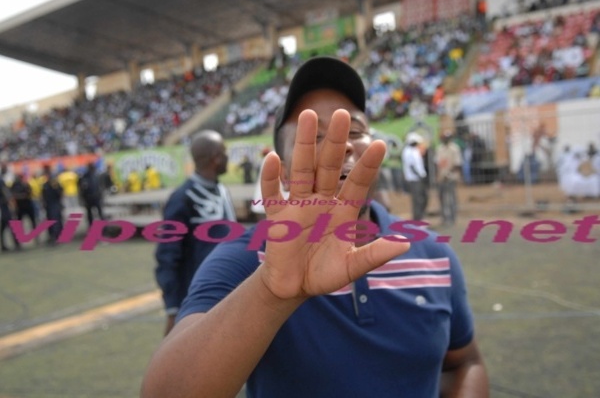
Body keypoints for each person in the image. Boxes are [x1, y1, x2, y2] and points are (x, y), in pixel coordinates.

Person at [142, 57, 488, 397]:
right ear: (284, 171)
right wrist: (271, 292)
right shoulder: (243, 260)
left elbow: (464, 363)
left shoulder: (433, 254)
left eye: (355, 131)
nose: (344, 144)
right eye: (314, 136)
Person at [154, 130, 236, 336]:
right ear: (215, 158)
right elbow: (167, 255)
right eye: (224, 152)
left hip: (229, 292)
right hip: (198, 300)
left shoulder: (221, 190)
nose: (227, 156)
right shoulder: (182, 198)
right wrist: (173, 308)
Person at [435, 130, 462, 226]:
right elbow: (437, 163)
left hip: (451, 176)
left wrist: (449, 173)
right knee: (441, 197)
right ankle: (444, 217)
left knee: (450, 198)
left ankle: (452, 217)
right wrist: (439, 175)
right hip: (441, 176)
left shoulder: (454, 148)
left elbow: (457, 164)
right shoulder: (439, 149)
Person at [402, 131, 428, 220]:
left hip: (419, 178)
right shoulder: (408, 151)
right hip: (414, 179)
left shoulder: (414, 150)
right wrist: (419, 175)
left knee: (422, 198)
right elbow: (412, 166)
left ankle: (420, 216)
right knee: (417, 199)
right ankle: (417, 218)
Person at [10, 174, 38, 240]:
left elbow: (29, 193)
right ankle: (18, 238)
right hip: (20, 206)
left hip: (27, 205)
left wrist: (20, 196)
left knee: (32, 221)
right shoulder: (15, 185)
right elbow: (13, 195)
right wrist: (21, 196)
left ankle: (36, 236)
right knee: (18, 222)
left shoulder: (25, 184)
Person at [78, 163, 105, 228]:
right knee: (92, 214)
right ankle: (93, 226)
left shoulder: (95, 176)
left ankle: (102, 226)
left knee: (98, 213)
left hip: (94, 197)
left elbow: (99, 187)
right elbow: (82, 189)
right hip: (90, 198)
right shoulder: (87, 177)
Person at [41, 165, 63, 246]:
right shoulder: (45, 184)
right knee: (50, 220)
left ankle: (57, 236)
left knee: (55, 220)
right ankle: (52, 236)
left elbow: (59, 192)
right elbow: (43, 195)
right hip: (48, 204)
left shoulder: (54, 183)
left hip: (54, 203)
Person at [0, 165, 21, 252]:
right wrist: (11, 202)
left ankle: (5, 245)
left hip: (3, 205)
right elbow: (6, 193)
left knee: (4, 226)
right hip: (3, 206)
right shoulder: (1, 181)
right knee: (10, 224)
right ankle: (16, 244)